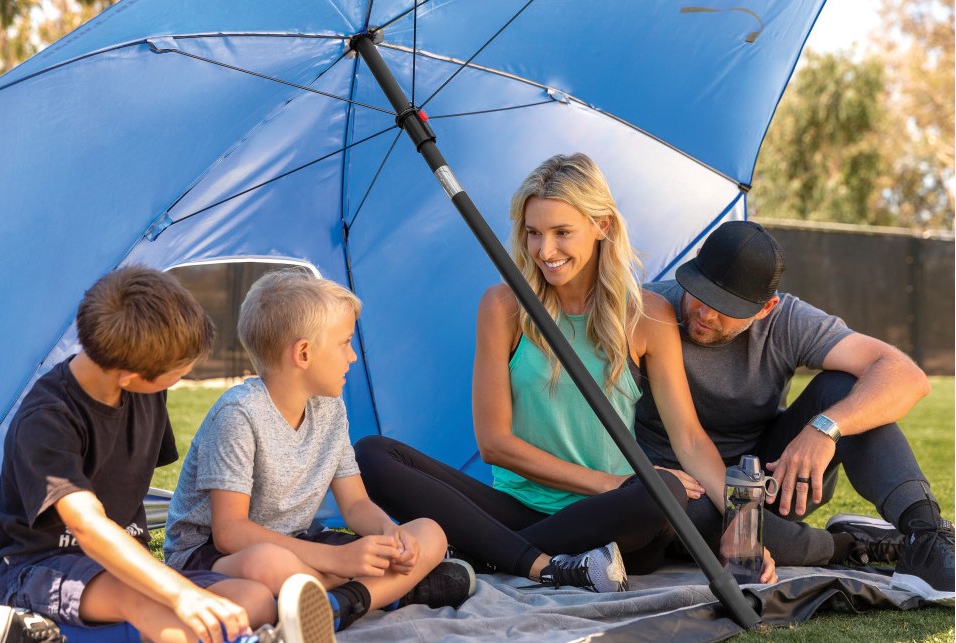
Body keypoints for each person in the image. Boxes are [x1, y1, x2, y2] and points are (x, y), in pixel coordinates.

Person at [356, 153, 777, 590]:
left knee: (663, 490)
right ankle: (536, 561)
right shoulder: (503, 307)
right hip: (520, 505)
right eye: (534, 233)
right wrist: (607, 482)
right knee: (373, 454)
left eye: (562, 233)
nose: (545, 251)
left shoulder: (648, 316)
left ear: (603, 227)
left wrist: (742, 526)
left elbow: (688, 438)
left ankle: (485, 553)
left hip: (613, 522)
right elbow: (494, 444)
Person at [0, 266, 326, 643]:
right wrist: (179, 594)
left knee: (254, 599)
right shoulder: (46, 419)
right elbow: (87, 526)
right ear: (130, 376)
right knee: (156, 611)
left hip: (129, 569)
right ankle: (24, 627)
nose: (182, 377)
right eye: (178, 373)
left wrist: (178, 590)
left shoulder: (146, 393)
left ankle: (50, 637)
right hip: (38, 570)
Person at [635, 220, 954, 604]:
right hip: (683, 488)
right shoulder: (645, 311)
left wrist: (825, 428)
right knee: (688, 514)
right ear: (697, 260)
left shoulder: (787, 320)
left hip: (772, 480)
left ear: (766, 308)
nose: (704, 312)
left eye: (726, 307)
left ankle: (926, 535)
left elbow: (907, 376)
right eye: (700, 291)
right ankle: (847, 545)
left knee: (847, 390)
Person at [164, 270, 475, 641]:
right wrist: (341, 561)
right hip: (214, 555)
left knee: (430, 533)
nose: (353, 356)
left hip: (299, 542)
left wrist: (390, 535)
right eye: (344, 343)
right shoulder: (239, 415)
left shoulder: (331, 409)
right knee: (268, 568)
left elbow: (356, 503)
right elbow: (230, 533)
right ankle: (392, 591)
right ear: (304, 353)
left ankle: (336, 607)